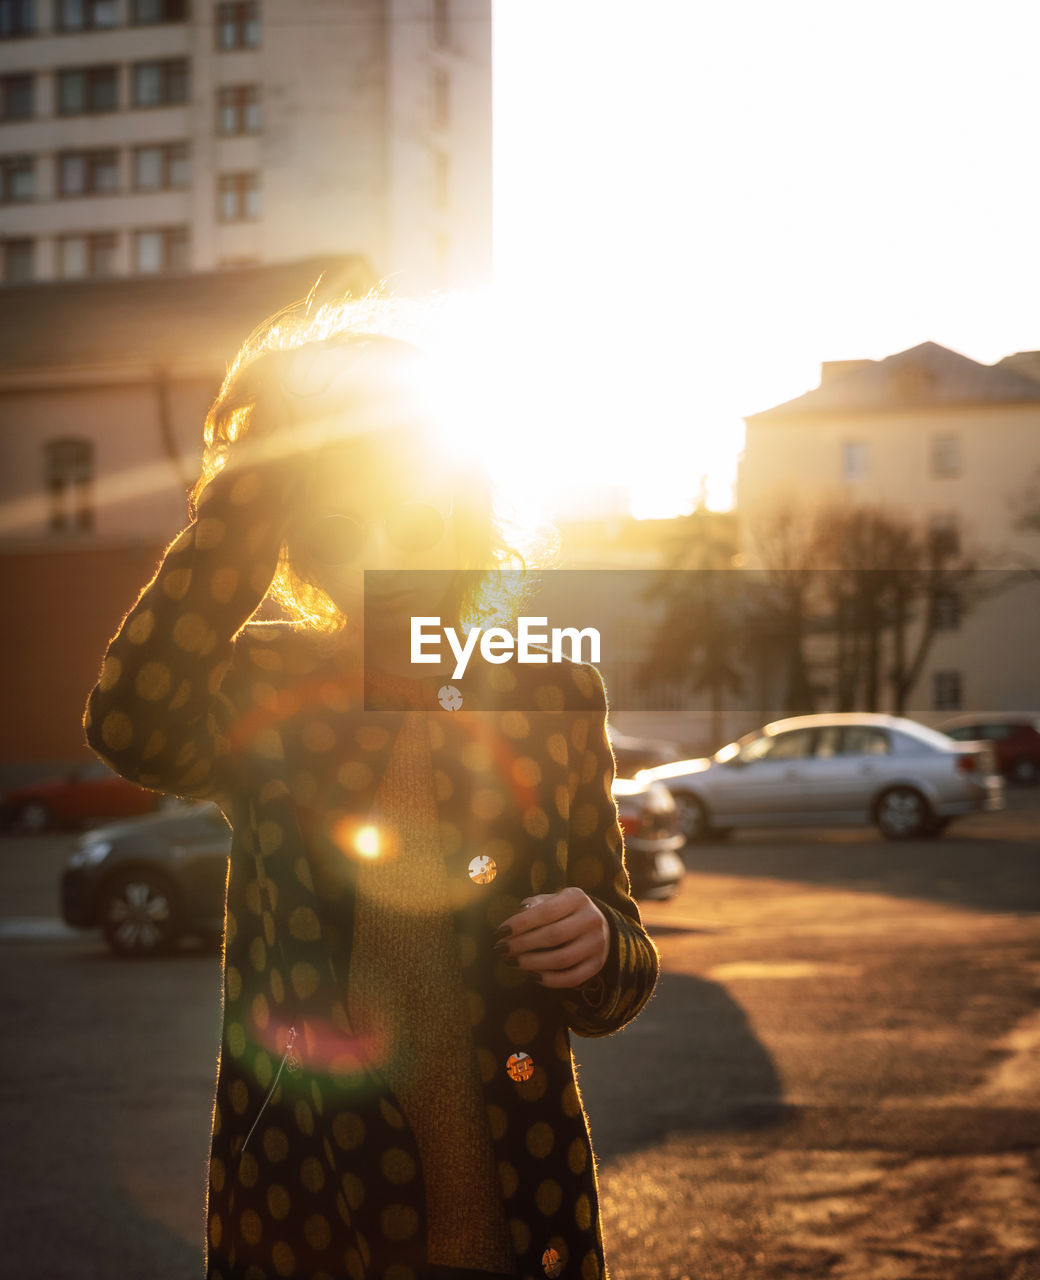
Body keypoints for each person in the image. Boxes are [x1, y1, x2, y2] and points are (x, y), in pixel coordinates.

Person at [83, 295, 660, 1280]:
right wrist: (250, 486)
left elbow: (619, 965)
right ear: (290, 541)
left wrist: (601, 939)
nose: (387, 551)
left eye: (414, 511)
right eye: (345, 519)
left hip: (526, 1210)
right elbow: (131, 719)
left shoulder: (551, 688)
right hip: (311, 1209)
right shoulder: (262, 687)